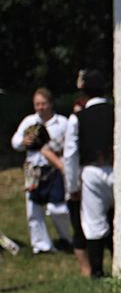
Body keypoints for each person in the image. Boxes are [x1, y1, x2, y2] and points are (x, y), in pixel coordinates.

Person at [10, 88, 74, 254]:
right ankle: (42, 245)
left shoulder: (62, 122)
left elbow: (70, 144)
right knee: (33, 209)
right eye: (37, 104)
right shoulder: (29, 121)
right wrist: (24, 141)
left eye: (43, 104)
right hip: (34, 169)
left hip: (54, 169)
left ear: (51, 104)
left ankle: (66, 237)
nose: (40, 107)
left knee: (58, 207)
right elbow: (15, 142)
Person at [64, 69, 114, 278]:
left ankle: (97, 270)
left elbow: (70, 155)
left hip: (92, 171)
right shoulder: (117, 112)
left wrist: (72, 186)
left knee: (94, 222)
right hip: (117, 168)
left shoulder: (78, 118)